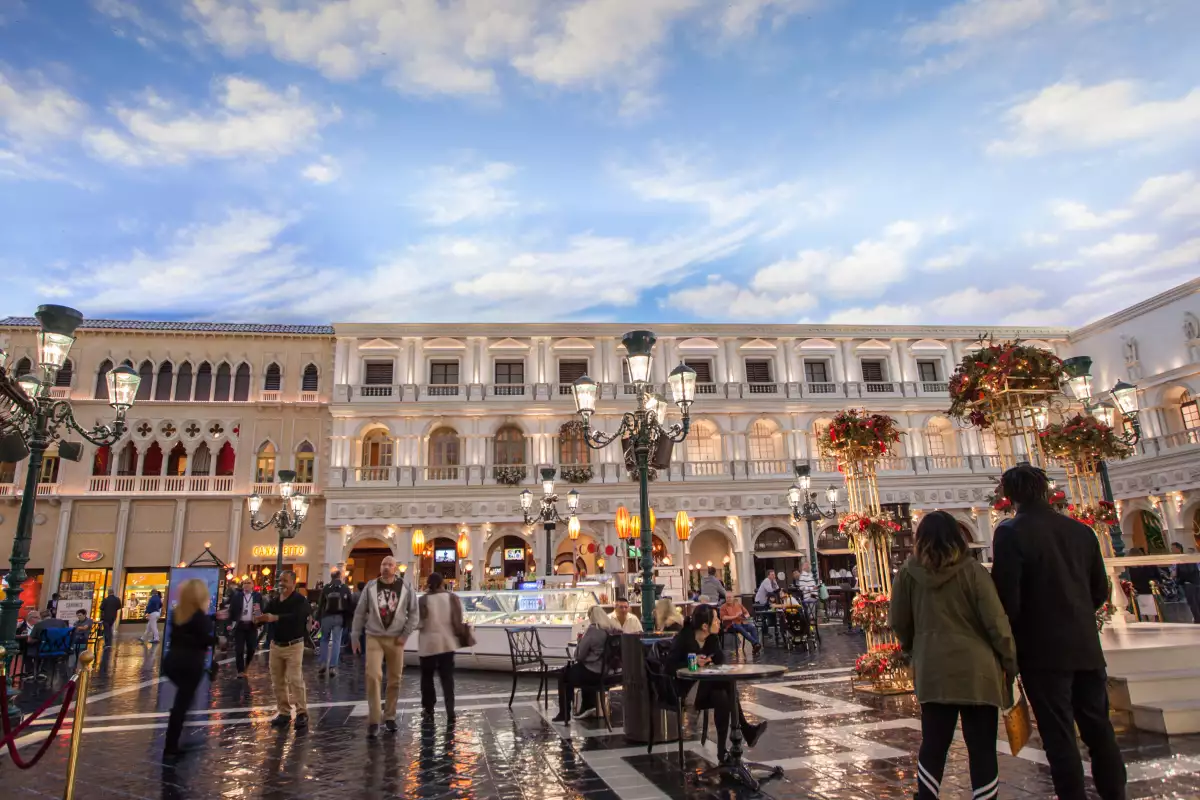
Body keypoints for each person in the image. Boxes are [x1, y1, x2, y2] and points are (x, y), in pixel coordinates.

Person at [991, 464, 1127, 800]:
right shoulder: (1081, 531)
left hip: (1042, 652)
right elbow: (1100, 590)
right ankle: (1115, 794)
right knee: (1099, 728)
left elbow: (1007, 598)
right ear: (1045, 490)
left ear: (1009, 495)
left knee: (1059, 734)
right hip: (1085, 645)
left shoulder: (1010, 533)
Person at [890, 510, 1017, 800]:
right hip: (977, 671)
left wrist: (915, 648)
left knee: (934, 744)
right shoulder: (973, 572)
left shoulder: (909, 574)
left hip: (934, 669)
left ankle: (927, 797)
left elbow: (899, 621)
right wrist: (1010, 660)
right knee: (982, 746)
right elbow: (996, 623)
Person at [667, 604, 767, 763]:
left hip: (709, 687)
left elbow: (720, 661)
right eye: (716, 620)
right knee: (727, 683)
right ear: (705, 626)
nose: (719, 622)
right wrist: (689, 663)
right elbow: (669, 666)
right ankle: (745, 729)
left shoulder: (712, 639)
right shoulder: (683, 638)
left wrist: (710, 660)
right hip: (688, 690)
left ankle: (722, 752)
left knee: (721, 695)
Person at [351, 555, 418, 738]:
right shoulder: (371, 586)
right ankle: (374, 720)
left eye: (390, 564)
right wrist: (355, 635)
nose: (386, 567)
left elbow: (414, 613)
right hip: (374, 636)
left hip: (396, 638)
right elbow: (359, 612)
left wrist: (405, 634)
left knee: (395, 679)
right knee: (373, 675)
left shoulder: (405, 586)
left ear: (395, 568)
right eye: (383, 564)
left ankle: (390, 715)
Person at [163, 578, 216, 757]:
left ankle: (176, 739)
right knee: (182, 704)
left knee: (183, 700)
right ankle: (172, 746)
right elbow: (203, 636)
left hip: (172, 662)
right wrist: (218, 640)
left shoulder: (178, 612)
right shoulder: (200, 617)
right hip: (190, 664)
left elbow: (188, 631)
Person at [254, 570, 312, 731]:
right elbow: (266, 615)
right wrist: (259, 619)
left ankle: (301, 712)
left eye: (285, 581)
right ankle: (284, 712)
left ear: (294, 582)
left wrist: (275, 617)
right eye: (280, 580)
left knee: (295, 679)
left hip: (294, 645)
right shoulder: (274, 601)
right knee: (277, 681)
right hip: (276, 645)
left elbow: (297, 617)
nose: (282, 584)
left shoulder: (300, 600)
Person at [551, 606, 615, 723]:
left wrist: (581, 640)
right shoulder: (612, 629)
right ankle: (588, 705)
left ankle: (564, 713)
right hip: (608, 671)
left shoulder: (593, 631)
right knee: (576, 671)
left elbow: (579, 655)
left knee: (564, 675)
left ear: (591, 617)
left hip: (594, 672)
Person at [417, 573, 460, 719]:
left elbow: (418, 623)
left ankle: (429, 709)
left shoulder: (423, 600)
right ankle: (450, 710)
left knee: (427, 677)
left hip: (428, 644)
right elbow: (458, 621)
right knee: (447, 678)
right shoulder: (452, 598)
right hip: (447, 643)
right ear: (443, 583)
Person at [316, 569, 352, 676]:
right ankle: (333, 667)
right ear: (340, 577)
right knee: (336, 641)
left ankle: (323, 663)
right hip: (339, 618)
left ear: (331, 577)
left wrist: (318, 618)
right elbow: (349, 604)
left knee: (324, 640)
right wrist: (348, 620)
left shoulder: (326, 588)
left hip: (326, 617)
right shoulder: (345, 588)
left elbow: (320, 604)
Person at [228, 578, 262, 678]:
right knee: (239, 649)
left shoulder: (257, 596)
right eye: (245, 583)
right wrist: (230, 623)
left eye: (249, 583)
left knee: (251, 648)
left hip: (252, 625)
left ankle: (246, 666)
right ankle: (240, 670)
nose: (246, 585)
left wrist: (259, 621)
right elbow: (232, 610)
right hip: (240, 625)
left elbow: (260, 609)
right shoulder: (237, 596)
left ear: (253, 585)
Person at [1173, 543, 1200, 623]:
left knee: (1193, 603)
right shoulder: (1193, 562)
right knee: (1197, 602)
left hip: (1189, 584)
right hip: (1196, 583)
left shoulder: (1182, 562)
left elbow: (1181, 574)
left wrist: (1178, 581)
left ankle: (1197, 619)